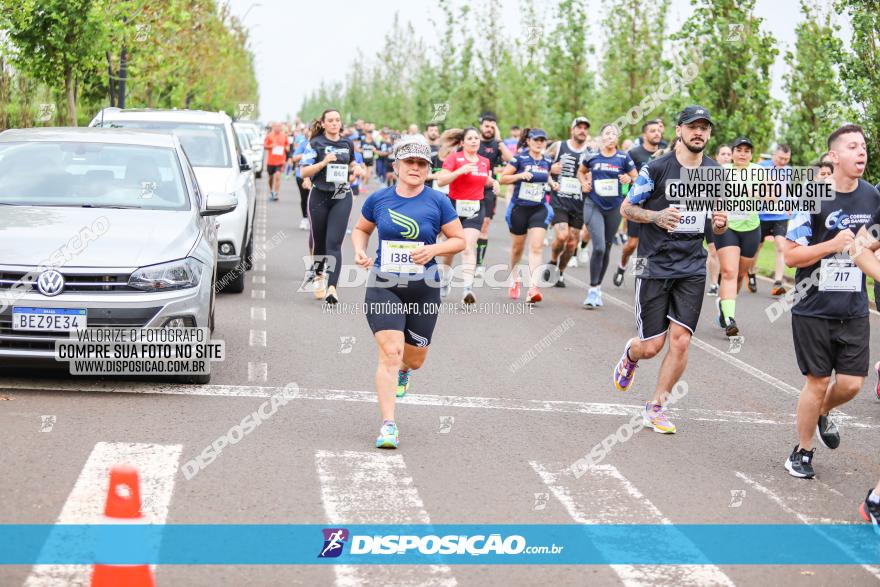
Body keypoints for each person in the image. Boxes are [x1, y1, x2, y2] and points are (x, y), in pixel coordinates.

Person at [614, 106, 728, 434]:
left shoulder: (715, 172)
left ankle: (656, 407)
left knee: (680, 342)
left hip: (692, 264)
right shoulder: (657, 168)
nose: (699, 133)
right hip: (655, 263)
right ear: (679, 130)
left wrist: (719, 224)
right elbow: (628, 207)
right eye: (693, 126)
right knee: (652, 346)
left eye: (705, 128)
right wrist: (656, 216)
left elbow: (717, 223)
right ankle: (631, 354)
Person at [352, 139, 465, 449]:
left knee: (414, 359)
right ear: (397, 167)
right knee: (390, 352)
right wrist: (360, 251)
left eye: (422, 164)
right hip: (384, 283)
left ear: (428, 169)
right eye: (409, 163)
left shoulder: (438, 201)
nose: (415, 168)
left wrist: (434, 249)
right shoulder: (378, 199)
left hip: (424, 288)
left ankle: (405, 371)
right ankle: (388, 424)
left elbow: (459, 241)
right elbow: (361, 229)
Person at [783, 124, 879, 478]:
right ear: (834, 157)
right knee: (818, 381)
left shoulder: (872, 197)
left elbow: (869, 244)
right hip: (813, 307)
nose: (862, 152)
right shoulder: (811, 195)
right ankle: (802, 451)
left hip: (853, 307)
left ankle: (819, 412)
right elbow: (792, 257)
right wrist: (832, 245)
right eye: (853, 146)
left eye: (864, 146)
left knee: (853, 384)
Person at [300, 108, 365, 304]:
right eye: (331, 120)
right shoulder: (315, 144)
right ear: (324, 123)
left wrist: (357, 167)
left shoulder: (347, 143)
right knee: (319, 241)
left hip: (341, 195)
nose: (335, 123)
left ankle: (332, 288)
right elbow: (303, 171)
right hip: (319, 194)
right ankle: (318, 275)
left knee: (334, 243)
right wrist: (323, 163)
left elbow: (352, 162)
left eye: (337, 120)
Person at [578, 124, 638, 308]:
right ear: (602, 137)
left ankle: (597, 288)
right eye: (607, 133)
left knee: (607, 248)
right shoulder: (592, 155)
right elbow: (581, 171)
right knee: (599, 248)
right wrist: (583, 183)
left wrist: (629, 179)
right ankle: (593, 289)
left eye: (614, 133)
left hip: (614, 207)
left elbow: (636, 177)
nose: (610, 136)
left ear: (617, 139)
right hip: (593, 204)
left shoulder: (623, 157)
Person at [435, 127, 496, 303]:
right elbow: (441, 180)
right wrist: (459, 171)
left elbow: (484, 179)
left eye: (476, 138)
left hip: (475, 208)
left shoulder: (484, 161)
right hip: (453, 208)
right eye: (470, 138)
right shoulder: (454, 158)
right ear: (462, 142)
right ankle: (445, 279)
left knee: (468, 247)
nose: (474, 141)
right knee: (451, 248)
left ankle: (467, 290)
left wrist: (495, 182)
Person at [499, 128, 557, 303]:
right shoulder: (520, 158)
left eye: (542, 140)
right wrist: (519, 175)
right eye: (536, 140)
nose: (539, 143)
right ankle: (514, 277)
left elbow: (545, 175)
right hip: (519, 208)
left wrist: (553, 183)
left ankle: (533, 288)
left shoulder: (547, 160)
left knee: (537, 246)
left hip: (538, 208)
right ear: (529, 141)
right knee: (517, 248)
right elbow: (502, 178)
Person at [714, 137, 762, 337]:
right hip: (727, 227)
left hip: (751, 227)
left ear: (751, 154)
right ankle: (730, 320)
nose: (743, 153)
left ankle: (723, 304)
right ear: (732, 152)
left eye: (747, 151)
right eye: (739, 150)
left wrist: (758, 193)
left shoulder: (759, 172)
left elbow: (773, 196)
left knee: (740, 274)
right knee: (729, 272)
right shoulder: (722, 171)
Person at [615, 120, 663, 287]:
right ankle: (622, 266)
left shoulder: (664, 153)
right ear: (645, 135)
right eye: (652, 131)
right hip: (637, 206)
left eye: (658, 130)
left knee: (648, 244)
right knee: (632, 244)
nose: (657, 133)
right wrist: (627, 179)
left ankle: (640, 279)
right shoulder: (634, 153)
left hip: (656, 207)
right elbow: (622, 174)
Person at [545, 117, 591, 288]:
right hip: (559, 201)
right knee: (562, 236)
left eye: (585, 128)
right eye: (579, 127)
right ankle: (553, 260)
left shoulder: (591, 152)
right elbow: (540, 163)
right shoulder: (558, 146)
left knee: (572, 243)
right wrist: (550, 169)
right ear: (572, 130)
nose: (582, 131)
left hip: (579, 204)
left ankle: (560, 272)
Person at [748, 144, 792, 295]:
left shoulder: (788, 170)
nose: (783, 161)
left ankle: (777, 282)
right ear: (774, 155)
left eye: (787, 159)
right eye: (781, 158)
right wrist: (762, 196)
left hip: (780, 216)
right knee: (756, 248)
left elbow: (787, 191)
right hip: (761, 215)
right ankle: (751, 273)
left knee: (781, 246)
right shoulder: (761, 167)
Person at [476, 113, 514, 276]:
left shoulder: (497, 144)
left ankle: (478, 264)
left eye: (492, 126)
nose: (489, 129)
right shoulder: (473, 141)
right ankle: (468, 253)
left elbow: (512, 160)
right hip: (469, 188)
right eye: (487, 126)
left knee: (484, 224)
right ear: (481, 126)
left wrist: (499, 140)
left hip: (488, 188)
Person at [291, 128, 313, 230]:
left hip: (317, 176)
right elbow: (294, 158)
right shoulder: (304, 144)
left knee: (314, 199)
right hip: (302, 175)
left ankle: (313, 219)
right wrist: (306, 154)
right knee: (305, 198)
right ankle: (305, 218)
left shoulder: (323, 144)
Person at [264, 122, 290, 201]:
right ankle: (271, 191)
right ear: (274, 127)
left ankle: (276, 194)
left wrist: (287, 148)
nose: (278, 128)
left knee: (278, 176)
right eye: (277, 126)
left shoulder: (284, 136)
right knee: (270, 178)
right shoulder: (269, 135)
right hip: (271, 161)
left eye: (279, 126)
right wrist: (271, 146)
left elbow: (287, 145)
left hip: (280, 160)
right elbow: (265, 146)